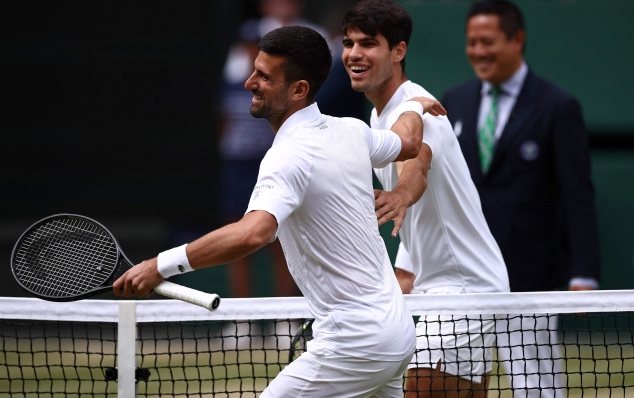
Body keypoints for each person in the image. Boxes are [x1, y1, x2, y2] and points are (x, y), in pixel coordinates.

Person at [114, 25, 446, 397]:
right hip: (397, 335)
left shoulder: (288, 156)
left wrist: (159, 265)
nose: (248, 83)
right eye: (254, 70)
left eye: (264, 77)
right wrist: (415, 104)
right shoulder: (352, 131)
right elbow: (410, 141)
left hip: (356, 344)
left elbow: (252, 233)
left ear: (299, 90)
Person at [341, 1, 510, 397]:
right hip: (453, 285)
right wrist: (399, 279)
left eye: (369, 44)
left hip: (463, 290)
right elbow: (421, 226)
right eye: (349, 43)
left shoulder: (419, 109)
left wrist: (401, 194)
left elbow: (418, 163)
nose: (354, 54)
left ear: (398, 51)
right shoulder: (377, 119)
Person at [440, 1, 601, 396]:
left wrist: (583, 273)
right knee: (452, 384)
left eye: (488, 41)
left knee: (536, 386)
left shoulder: (557, 106)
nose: (478, 51)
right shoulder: (453, 102)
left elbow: (577, 196)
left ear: (517, 40)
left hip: (530, 277)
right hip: (462, 276)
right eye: (471, 42)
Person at [217, 19, 298, 298]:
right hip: (238, 169)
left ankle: (285, 317)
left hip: (272, 166)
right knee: (236, 243)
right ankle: (242, 318)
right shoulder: (229, 86)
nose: (254, 51)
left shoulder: (282, 88)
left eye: (259, 46)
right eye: (250, 45)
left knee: (280, 242)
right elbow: (223, 126)